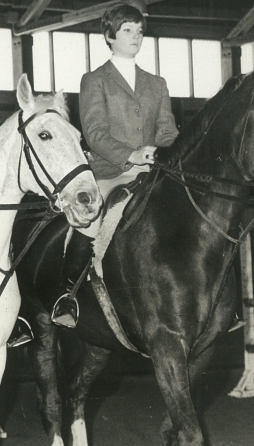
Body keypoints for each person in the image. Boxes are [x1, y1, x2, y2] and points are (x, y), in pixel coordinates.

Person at [52, 3, 179, 328]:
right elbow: (94, 134)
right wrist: (131, 155)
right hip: (110, 170)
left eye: (139, 31)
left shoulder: (157, 83)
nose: (136, 36)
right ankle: (68, 294)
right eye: (128, 30)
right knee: (91, 217)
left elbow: (167, 129)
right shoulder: (95, 80)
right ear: (110, 35)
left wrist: (162, 150)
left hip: (152, 171)